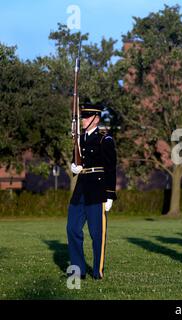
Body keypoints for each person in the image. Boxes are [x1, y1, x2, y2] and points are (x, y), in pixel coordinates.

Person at [67, 102, 117, 280]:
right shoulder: (79, 139)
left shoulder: (105, 139)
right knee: (72, 229)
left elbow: (111, 169)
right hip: (80, 190)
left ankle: (97, 271)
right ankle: (78, 270)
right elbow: (77, 160)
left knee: (97, 234)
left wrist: (110, 194)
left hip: (98, 190)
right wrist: (74, 166)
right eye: (83, 117)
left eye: (87, 117)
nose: (83, 120)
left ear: (96, 119)